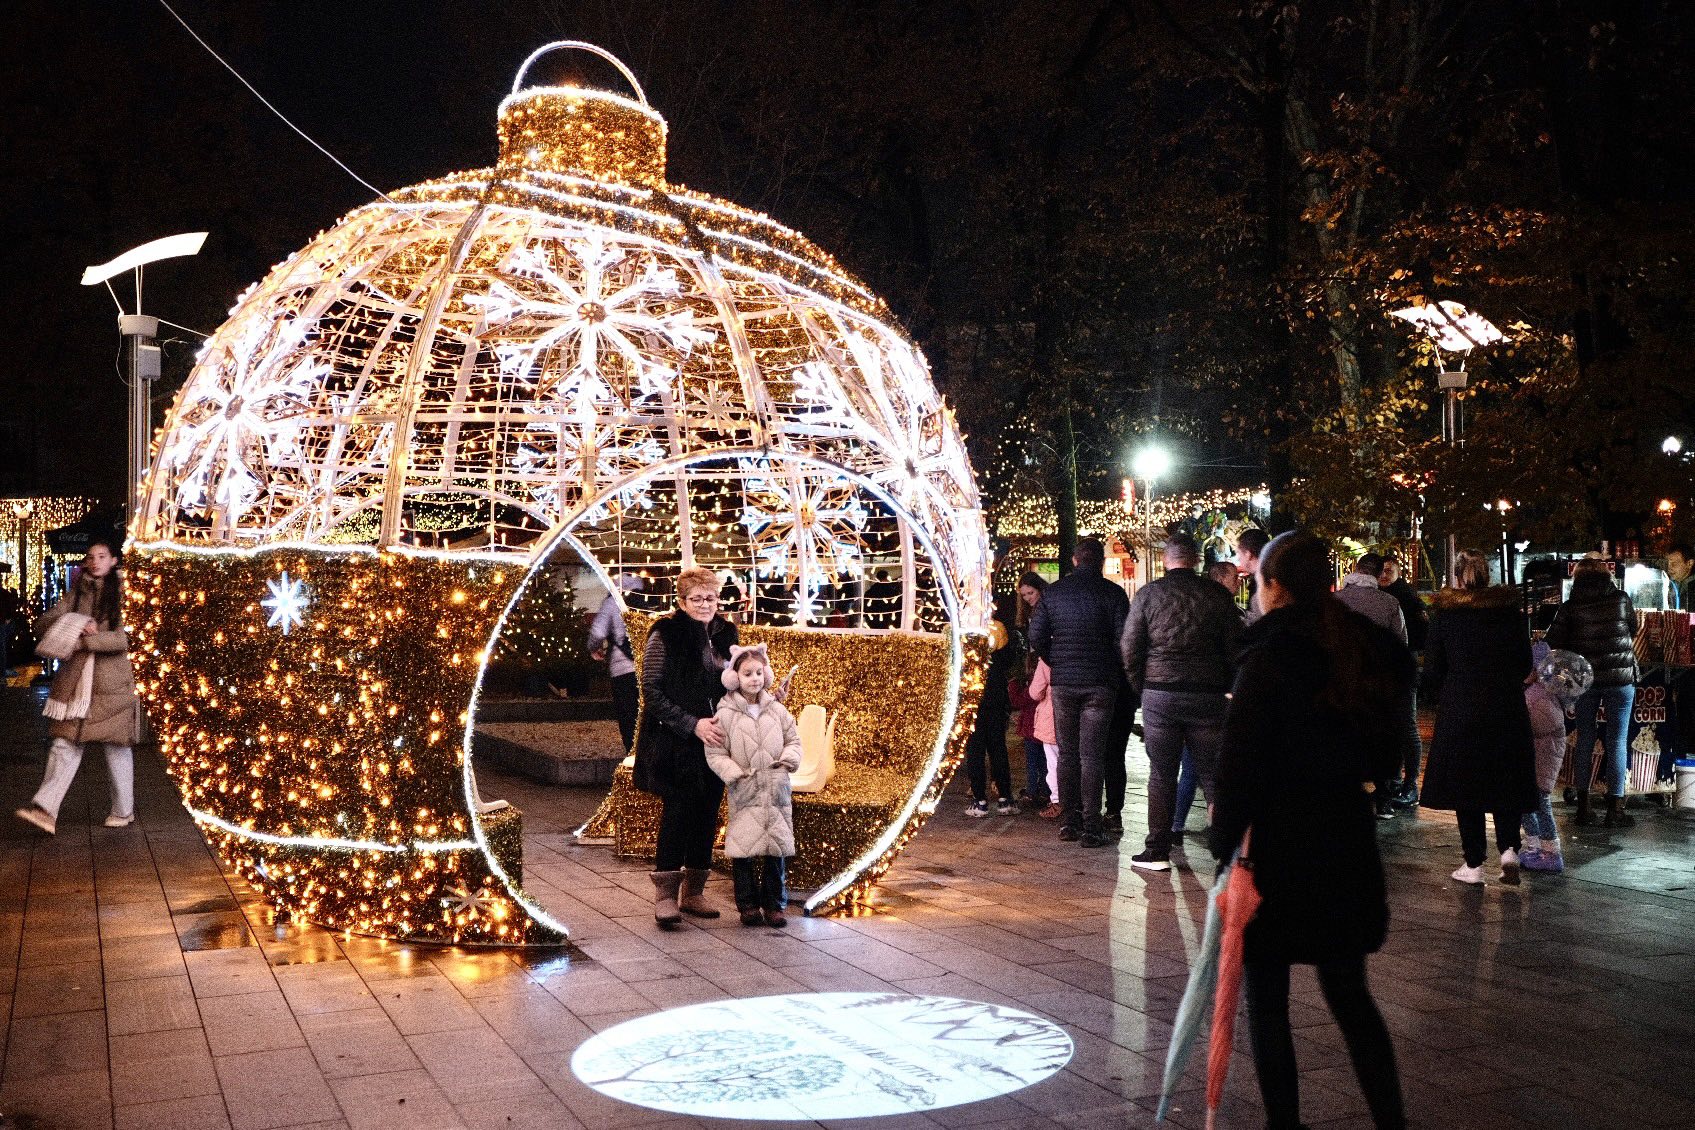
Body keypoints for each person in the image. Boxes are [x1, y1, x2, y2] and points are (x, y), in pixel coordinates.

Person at [1211, 530, 1410, 1130]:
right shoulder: (1364, 646)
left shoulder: (1270, 656)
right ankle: (1390, 1119)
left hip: (1275, 850)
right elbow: (1389, 748)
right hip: (1344, 841)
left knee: (1267, 1003)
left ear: (1273, 586)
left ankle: (1285, 1123)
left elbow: (1239, 761)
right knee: (1351, 996)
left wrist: (1226, 846)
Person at [1120, 534, 1242, 871]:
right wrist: (1227, 686)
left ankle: (1157, 849)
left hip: (1160, 694)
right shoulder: (1217, 596)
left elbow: (1130, 647)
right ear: (1198, 561)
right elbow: (1236, 648)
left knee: (1162, 773)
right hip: (1207, 694)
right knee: (1212, 774)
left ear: (1166, 560)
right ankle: (1226, 848)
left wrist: (1141, 687)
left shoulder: (1148, 595)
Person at [1420, 550, 1539, 885]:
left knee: (1465, 782)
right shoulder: (1510, 614)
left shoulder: (1446, 615)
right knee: (1505, 776)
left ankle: (1473, 864)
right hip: (1505, 703)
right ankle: (1509, 850)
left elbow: (1432, 668)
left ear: (1457, 577)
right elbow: (1524, 663)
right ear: (1489, 575)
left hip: (1462, 703)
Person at [633, 566, 738, 928]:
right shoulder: (666, 633)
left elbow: (738, 682)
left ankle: (694, 892)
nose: (705, 604)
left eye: (711, 597)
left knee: (707, 814)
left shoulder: (727, 633)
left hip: (718, 740)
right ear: (681, 601)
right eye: (697, 599)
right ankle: (665, 896)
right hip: (678, 742)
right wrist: (692, 724)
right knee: (677, 814)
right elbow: (652, 691)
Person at [14, 541, 140, 836]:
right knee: (64, 744)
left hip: (111, 686)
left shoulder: (125, 595)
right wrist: (73, 621)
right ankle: (45, 811)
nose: (95, 562)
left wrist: (87, 640)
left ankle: (124, 810)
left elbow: (124, 640)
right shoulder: (77, 593)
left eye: (102, 557)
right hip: (76, 685)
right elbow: (43, 624)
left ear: (113, 561)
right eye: (90, 557)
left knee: (116, 749)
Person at [1027, 538, 1129, 848]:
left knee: (1068, 753)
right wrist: (1109, 665)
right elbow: (1123, 640)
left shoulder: (1054, 593)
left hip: (1065, 682)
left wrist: (1056, 660)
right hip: (1100, 682)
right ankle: (1092, 825)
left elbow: (1036, 635)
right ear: (1100, 562)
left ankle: (1070, 820)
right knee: (1093, 755)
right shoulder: (1113, 593)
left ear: (1074, 560)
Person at [704, 644, 801, 928]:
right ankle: (747, 904)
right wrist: (735, 774)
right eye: (748, 674)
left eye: (759, 672)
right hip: (745, 788)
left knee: (776, 848)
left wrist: (786, 762)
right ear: (735, 678)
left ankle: (774, 905)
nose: (755, 678)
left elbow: (793, 741)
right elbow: (716, 753)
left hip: (775, 787)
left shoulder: (777, 710)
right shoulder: (725, 714)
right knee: (744, 848)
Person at [1545, 557, 1639, 827]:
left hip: (1584, 680)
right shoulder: (1621, 599)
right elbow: (1633, 628)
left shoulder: (1570, 607)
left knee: (1585, 737)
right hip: (1620, 678)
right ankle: (1615, 809)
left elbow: (1553, 643)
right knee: (1617, 740)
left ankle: (1583, 807)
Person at [1335, 553, 1408, 818]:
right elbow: (1401, 644)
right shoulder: (1389, 603)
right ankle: (1384, 798)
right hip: (1377, 683)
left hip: (1341, 681)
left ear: (1355, 570)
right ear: (1378, 575)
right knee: (1379, 739)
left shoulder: (1333, 601)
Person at [1378, 556, 1429, 807]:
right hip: (1398, 667)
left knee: (1406, 726)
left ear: (1399, 572)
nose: (1384, 575)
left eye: (1389, 571)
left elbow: (1420, 632)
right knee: (1398, 726)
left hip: (1403, 667)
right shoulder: (1388, 596)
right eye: (1382, 571)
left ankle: (1409, 784)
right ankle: (1400, 781)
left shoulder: (1404, 597)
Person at [963, 598, 1019, 817]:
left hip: (972, 696)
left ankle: (980, 800)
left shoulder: (965, 634)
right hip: (995, 695)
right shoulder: (1000, 630)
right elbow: (1007, 661)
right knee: (998, 747)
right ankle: (1005, 798)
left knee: (975, 750)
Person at [1521, 642, 1569, 873]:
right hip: (1541, 754)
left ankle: (1549, 852)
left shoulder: (1538, 697)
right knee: (1530, 802)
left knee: (1538, 802)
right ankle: (1535, 847)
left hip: (1542, 757)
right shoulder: (1544, 693)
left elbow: (1538, 727)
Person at [587, 574, 644, 754]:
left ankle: (632, 754)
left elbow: (597, 632)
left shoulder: (612, 602)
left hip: (622, 668)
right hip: (648, 667)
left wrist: (594, 648)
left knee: (628, 714)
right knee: (649, 713)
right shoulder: (646, 599)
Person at [1010, 571, 1050, 808]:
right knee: (1035, 740)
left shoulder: (1043, 612)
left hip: (1040, 674)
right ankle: (1037, 787)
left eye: (1030, 593)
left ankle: (1042, 787)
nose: (1027, 598)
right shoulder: (1030, 616)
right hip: (1033, 675)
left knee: (1041, 741)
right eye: (1024, 595)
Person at [1235, 527, 1271, 623]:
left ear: (1248, 554)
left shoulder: (1264, 582)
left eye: (1238, 553)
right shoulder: (1269, 574)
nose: (1238, 559)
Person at [1666, 543, 1695, 611]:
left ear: (1689, 563)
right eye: (1668, 563)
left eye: (1674, 563)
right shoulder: (1668, 585)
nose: (1669, 568)